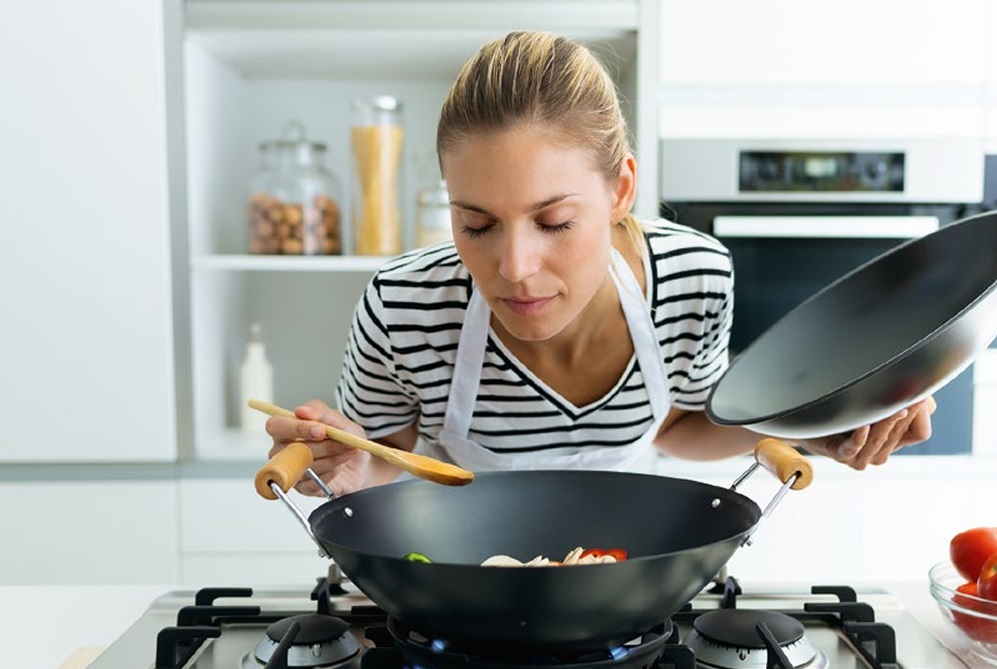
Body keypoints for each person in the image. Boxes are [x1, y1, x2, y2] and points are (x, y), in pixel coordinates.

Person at [265, 30, 935, 497]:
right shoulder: (403, 305)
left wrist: (816, 427)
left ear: (619, 191)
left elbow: (679, 425)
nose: (515, 266)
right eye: (476, 224)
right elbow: (386, 460)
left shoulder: (691, 277)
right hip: (456, 580)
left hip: (620, 567)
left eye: (553, 222)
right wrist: (347, 469)